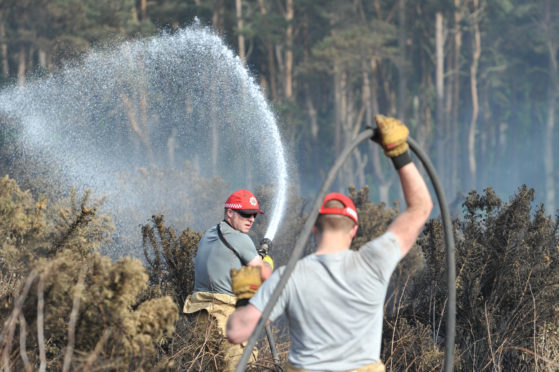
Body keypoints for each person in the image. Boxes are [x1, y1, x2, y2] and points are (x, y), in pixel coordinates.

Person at [226, 115, 433, 372]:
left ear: (314, 229)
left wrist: (247, 296)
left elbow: (237, 332)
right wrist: (399, 153)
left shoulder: (288, 277)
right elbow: (421, 208)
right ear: (354, 230)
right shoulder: (374, 261)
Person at [183, 189, 274, 372]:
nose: (251, 219)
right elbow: (264, 275)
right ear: (230, 212)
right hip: (224, 316)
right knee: (241, 364)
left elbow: (224, 270)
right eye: (246, 214)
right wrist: (268, 262)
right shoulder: (240, 238)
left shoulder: (209, 234)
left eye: (254, 215)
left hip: (199, 316)